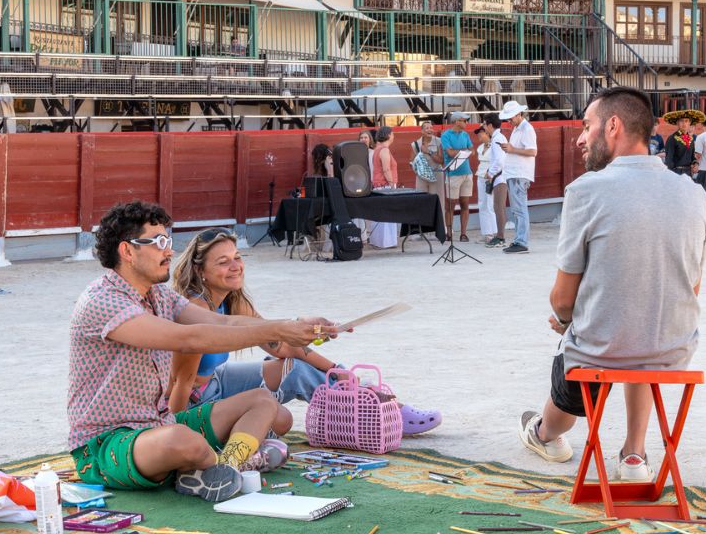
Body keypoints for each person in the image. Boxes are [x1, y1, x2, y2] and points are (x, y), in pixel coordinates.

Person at [67, 201, 338, 503]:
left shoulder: (158, 294)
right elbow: (188, 339)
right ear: (127, 251)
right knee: (182, 440)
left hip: (157, 425)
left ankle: (226, 467)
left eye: (168, 241)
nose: (168, 251)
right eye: (158, 243)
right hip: (106, 443)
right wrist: (279, 330)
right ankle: (221, 462)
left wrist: (293, 324)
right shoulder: (102, 301)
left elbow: (224, 322)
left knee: (263, 401)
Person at [519, 87, 706, 481]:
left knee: (586, 341)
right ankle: (634, 455)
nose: (581, 138)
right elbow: (691, 286)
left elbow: (562, 298)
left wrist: (564, 317)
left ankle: (544, 432)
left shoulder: (585, 190)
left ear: (614, 126)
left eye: (588, 126)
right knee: (639, 334)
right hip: (671, 349)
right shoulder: (693, 193)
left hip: (601, 350)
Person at [166, 227, 442, 434]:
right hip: (193, 400)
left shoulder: (232, 301)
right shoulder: (194, 310)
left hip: (218, 380)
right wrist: (175, 432)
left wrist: (340, 370)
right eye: (223, 261)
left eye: (237, 257)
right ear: (200, 270)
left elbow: (281, 344)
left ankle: (374, 412)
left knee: (297, 368)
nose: (236, 266)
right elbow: (179, 384)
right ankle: (370, 414)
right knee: (281, 419)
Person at [498, 101, 537, 254]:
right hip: (516, 173)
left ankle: (521, 241)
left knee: (519, 209)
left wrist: (512, 149)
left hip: (519, 173)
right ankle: (520, 240)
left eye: (511, 118)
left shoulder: (526, 129)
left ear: (518, 114)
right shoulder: (519, 128)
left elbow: (533, 151)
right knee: (518, 209)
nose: (509, 121)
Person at [440, 112, 473, 242]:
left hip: (466, 173)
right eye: (464, 120)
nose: (466, 122)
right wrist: (464, 150)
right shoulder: (446, 135)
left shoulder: (465, 134)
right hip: (453, 174)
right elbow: (450, 153)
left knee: (465, 204)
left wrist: (460, 151)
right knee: (450, 205)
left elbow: (472, 150)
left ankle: (463, 234)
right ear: (456, 121)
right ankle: (449, 233)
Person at [368, 126, 400, 249]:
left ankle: (379, 241)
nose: (393, 136)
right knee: (388, 215)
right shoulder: (385, 150)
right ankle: (387, 242)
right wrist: (392, 184)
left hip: (378, 185)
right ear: (387, 135)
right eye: (392, 134)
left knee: (380, 216)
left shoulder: (377, 149)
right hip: (386, 185)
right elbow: (386, 169)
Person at [481, 113, 509, 248]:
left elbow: (500, 160)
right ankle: (500, 235)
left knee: (499, 207)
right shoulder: (498, 137)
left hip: (500, 177)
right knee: (498, 207)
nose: (484, 127)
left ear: (490, 125)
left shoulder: (498, 138)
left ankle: (501, 237)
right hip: (500, 176)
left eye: (485, 125)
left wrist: (490, 173)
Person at [411, 120, 444, 216]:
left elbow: (441, 160)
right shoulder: (416, 144)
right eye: (427, 128)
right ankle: (424, 226)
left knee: (438, 200)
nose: (430, 130)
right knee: (421, 200)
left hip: (436, 174)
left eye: (431, 128)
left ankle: (441, 226)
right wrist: (418, 169)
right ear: (422, 131)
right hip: (421, 176)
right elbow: (411, 161)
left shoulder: (439, 141)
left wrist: (428, 151)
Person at [475, 125, 496, 242]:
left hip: (490, 177)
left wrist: (492, 175)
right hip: (480, 176)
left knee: (490, 204)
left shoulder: (494, 146)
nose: (479, 135)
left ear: (487, 134)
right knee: (482, 204)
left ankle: (493, 232)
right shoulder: (480, 148)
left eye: (481, 132)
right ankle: (486, 232)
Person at [662, 111, 698, 175]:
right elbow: (669, 160)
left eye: (686, 121)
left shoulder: (691, 139)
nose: (684, 123)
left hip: (688, 173)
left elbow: (692, 157)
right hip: (676, 173)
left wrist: (696, 164)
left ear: (689, 123)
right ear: (677, 123)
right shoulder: (672, 138)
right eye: (681, 121)